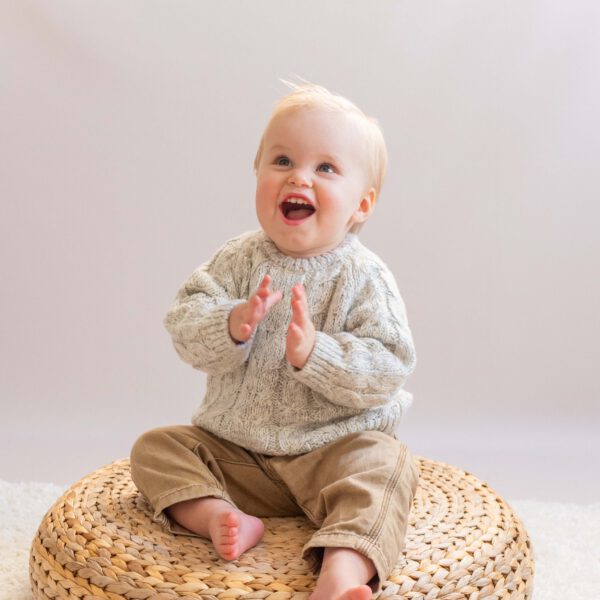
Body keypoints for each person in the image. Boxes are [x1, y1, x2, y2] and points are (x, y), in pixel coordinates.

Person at [130, 81, 419, 600]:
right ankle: (220, 513)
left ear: (362, 204)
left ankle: (342, 573)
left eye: (325, 168)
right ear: (259, 174)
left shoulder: (365, 276)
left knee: (387, 465)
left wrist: (318, 354)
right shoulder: (238, 259)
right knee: (157, 448)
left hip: (330, 454)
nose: (299, 177)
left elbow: (390, 364)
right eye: (282, 160)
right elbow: (183, 319)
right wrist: (230, 323)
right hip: (238, 451)